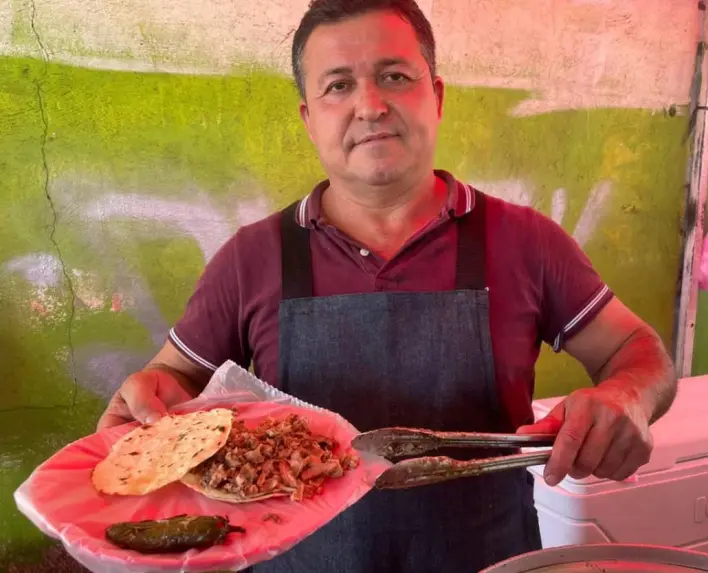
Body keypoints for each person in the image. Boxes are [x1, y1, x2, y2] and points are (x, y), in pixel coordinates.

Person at [98, 0, 677, 571]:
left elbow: (637, 352)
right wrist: (150, 397)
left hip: (488, 559)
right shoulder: (252, 257)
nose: (370, 106)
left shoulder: (526, 241)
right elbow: (175, 377)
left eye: (394, 77)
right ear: (308, 117)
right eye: (338, 86)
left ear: (438, 96)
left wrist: (628, 396)